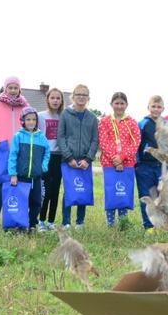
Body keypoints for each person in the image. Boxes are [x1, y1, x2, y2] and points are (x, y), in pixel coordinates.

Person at [0, 77, 30, 233]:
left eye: (16, 87)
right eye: (10, 87)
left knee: (20, 188)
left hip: (21, 153)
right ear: (5, 89)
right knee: (0, 188)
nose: (13, 90)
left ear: (20, 89)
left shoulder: (25, 106)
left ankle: (18, 224)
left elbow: (32, 125)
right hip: (3, 152)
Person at [56, 84, 99, 230]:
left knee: (83, 189)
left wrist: (88, 159)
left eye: (84, 95)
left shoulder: (92, 118)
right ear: (73, 97)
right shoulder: (65, 114)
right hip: (69, 161)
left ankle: (80, 222)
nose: (81, 97)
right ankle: (66, 221)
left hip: (85, 161)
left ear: (88, 98)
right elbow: (60, 137)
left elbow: (95, 140)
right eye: (78, 94)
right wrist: (69, 158)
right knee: (69, 190)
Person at [98, 92, 140, 227]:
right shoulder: (104, 122)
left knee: (123, 192)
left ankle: (123, 222)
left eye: (122, 103)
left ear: (126, 105)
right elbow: (104, 142)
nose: (119, 106)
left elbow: (136, 142)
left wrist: (122, 158)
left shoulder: (132, 123)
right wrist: (115, 159)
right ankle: (110, 222)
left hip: (127, 164)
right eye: (117, 103)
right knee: (111, 191)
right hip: (109, 163)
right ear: (111, 104)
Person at [7, 107, 51, 231]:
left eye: (33, 119)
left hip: (36, 177)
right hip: (21, 177)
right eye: (28, 119)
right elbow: (13, 155)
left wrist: (43, 166)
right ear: (23, 121)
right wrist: (13, 174)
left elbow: (47, 152)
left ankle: (32, 224)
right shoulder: (18, 136)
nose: (31, 122)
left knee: (36, 201)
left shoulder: (41, 137)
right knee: (22, 201)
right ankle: (21, 225)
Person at [37, 87, 66, 232]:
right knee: (46, 190)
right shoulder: (40, 116)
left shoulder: (64, 117)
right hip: (45, 156)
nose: (55, 100)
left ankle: (51, 221)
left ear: (61, 101)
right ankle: (41, 221)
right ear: (47, 99)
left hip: (59, 157)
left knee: (55, 190)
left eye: (58, 98)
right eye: (52, 98)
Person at [136, 96, 166, 229]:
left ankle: (160, 225)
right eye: (153, 106)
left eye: (159, 107)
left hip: (161, 166)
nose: (156, 109)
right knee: (146, 196)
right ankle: (148, 225)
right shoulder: (142, 123)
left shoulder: (166, 124)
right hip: (144, 166)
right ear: (148, 107)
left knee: (160, 196)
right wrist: (137, 163)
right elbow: (136, 144)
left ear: (163, 109)